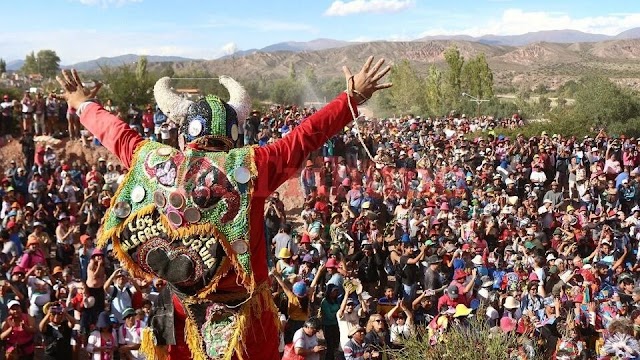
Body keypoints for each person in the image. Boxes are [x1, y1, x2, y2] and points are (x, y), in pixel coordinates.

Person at [56, 54, 391, 360]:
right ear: (235, 138)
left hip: (173, 307)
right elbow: (306, 136)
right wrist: (351, 99)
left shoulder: (154, 161)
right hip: (244, 313)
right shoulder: (253, 165)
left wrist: (82, 102)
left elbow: (116, 134)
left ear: (184, 138)